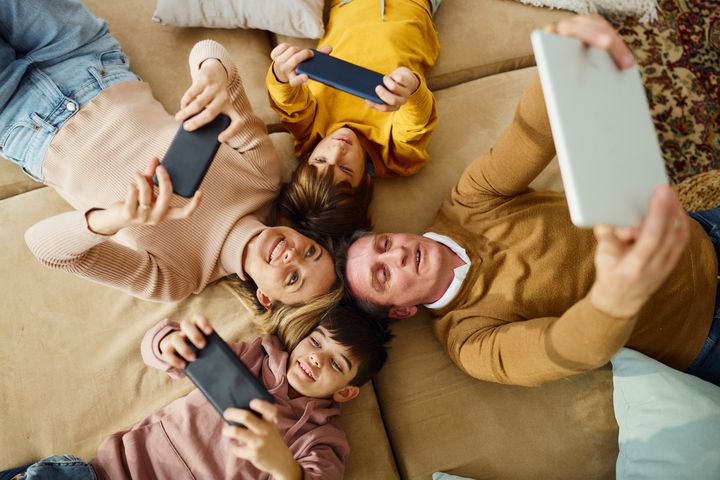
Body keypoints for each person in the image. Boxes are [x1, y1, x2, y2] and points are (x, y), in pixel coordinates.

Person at [336, 15, 720, 388]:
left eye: (383, 245)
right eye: (383, 275)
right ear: (402, 310)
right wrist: (614, 297)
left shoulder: (464, 204)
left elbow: (531, 134)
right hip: (705, 332)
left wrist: (560, 56)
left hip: (703, 230)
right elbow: (563, 350)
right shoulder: (470, 341)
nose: (397, 255)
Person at [0, 0, 338, 310]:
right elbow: (209, 50)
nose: (293, 255)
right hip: (85, 58)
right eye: (311, 251)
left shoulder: (176, 279)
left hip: (19, 120)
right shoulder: (262, 176)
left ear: (266, 298)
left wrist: (117, 217)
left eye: (293, 279)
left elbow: (45, 248)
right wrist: (213, 77)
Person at [1, 307, 393, 480]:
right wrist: (168, 342)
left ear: (346, 393)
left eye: (337, 365)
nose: (316, 360)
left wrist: (283, 468)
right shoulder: (253, 357)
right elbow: (164, 352)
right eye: (317, 343)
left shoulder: (322, 440)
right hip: (107, 473)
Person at [266, 0, 441, 223]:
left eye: (320, 160)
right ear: (365, 181)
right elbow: (418, 123)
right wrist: (413, 89)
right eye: (345, 169)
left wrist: (282, 72)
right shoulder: (395, 156)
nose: (337, 149)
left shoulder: (310, 133)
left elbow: (287, 103)